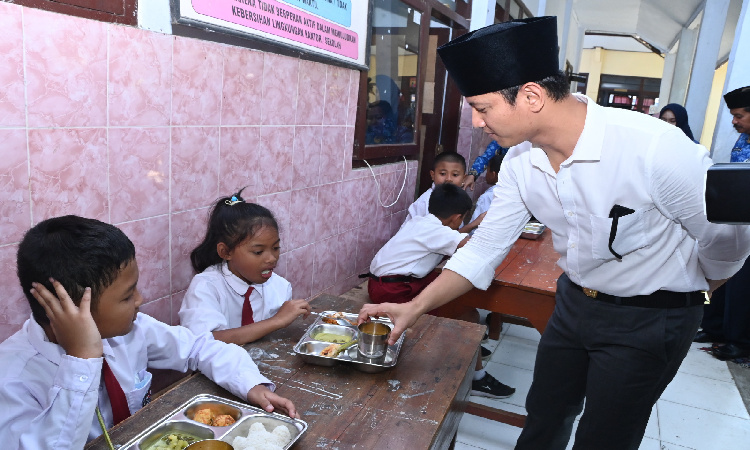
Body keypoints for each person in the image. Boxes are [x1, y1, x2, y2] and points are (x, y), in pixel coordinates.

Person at [357, 17, 750, 450]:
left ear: (531, 96)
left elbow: (727, 238)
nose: (477, 121)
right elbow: (484, 247)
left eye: (483, 107)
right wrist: (413, 308)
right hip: (574, 304)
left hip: (651, 319)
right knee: (545, 416)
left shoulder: (655, 148)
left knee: (606, 436)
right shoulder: (522, 162)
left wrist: (695, 291)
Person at [0, 215, 298, 448]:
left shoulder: (131, 329)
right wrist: (83, 359)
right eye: (128, 296)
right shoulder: (13, 377)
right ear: (73, 308)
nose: (141, 300)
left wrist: (251, 384)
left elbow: (198, 347)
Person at [366, 183, 515, 399]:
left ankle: (470, 352)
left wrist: (468, 226)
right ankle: (478, 379)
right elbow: (475, 249)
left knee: (455, 289)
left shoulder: (420, 221)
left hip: (383, 282)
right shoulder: (439, 232)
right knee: (468, 315)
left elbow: (446, 238)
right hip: (394, 290)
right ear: (456, 218)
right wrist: (481, 226)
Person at [179, 189, 311, 346]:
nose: (271, 258)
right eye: (258, 252)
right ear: (226, 251)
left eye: (275, 248)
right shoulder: (206, 288)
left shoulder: (280, 287)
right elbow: (201, 343)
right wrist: (276, 321)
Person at [696, 86, 750, 360]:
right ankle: (714, 327)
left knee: (743, 287)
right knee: (725, 276)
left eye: (739, 115)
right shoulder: (743, 140)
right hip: (735, 221)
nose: (734, 122)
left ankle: (739, 341)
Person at [402, 151, 467, 225]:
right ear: (433, 175)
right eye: (443, 174)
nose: (448, 179)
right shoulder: (426, 201)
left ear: (464, 178)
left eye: (455, 175)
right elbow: (431, 233)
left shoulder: (460, 198)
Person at [465, 153, 504, 235]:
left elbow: (474, 229)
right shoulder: (513, 192)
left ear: (493, 174)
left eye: (487, 171)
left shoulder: (487, 197)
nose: (486, 174)